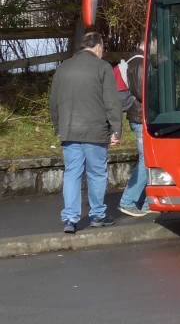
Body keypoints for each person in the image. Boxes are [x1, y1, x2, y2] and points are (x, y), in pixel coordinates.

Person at [49, 30, 124, 233]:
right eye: (103, 49)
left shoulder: (63, 68)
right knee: (96, 173)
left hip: (69, 130)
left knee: (72, 174)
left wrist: (58, 127)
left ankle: (70, 219)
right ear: (98, 47)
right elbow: (111, 102)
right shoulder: (102, 68)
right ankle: (98, 214)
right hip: (95, 131)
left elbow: (53, 102)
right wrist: (116, 129)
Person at [118, 44, 149, 217]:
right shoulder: (139, 62)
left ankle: (144, 203)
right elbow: (141, 91)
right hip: (140, 116)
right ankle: (128, 201)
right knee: (146, 160)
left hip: (139, 116)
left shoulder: (137, 61)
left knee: (148, 159)